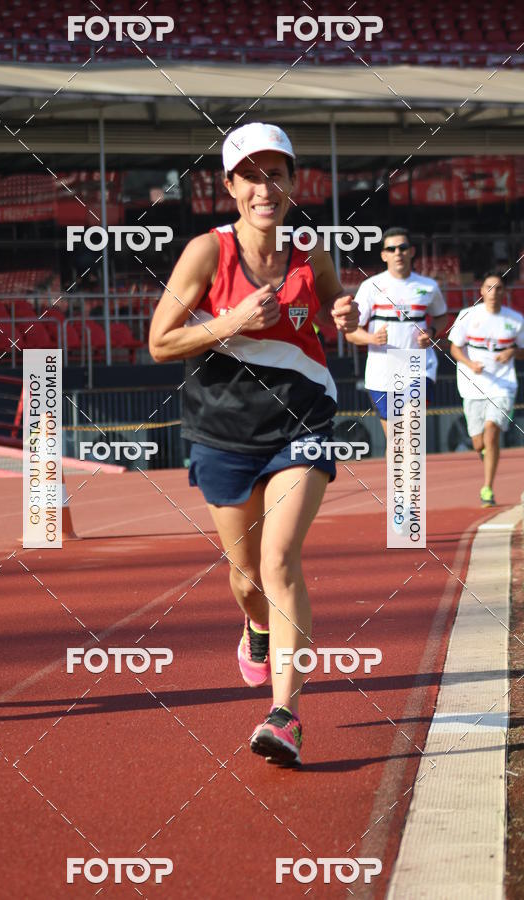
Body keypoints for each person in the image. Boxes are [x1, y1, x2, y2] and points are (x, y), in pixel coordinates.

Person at [148, 122, 358, 766]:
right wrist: (233, 321)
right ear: (231, 186)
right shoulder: (206, 253)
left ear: (293, 183)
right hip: (222, 431)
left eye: (278, 174)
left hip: (303, 419)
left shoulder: (308, 246)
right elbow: (159, 342)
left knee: (280, 561)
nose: (266, 187)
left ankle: (286, 715)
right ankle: (257, 627)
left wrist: (343, 315)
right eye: (252, 175)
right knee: (245, 579)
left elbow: (328, 311)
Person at [345, 227, 448, 439]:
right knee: (397, 442)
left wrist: (432, 331)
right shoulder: (371, 286)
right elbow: (350, 331)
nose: (397, 253)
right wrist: (371, 338)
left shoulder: (428, 286)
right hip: (381, 372)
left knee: (410, 431)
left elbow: (442, 316)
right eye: (391, 249)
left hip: (417, 366)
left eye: (402, 248)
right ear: (384, 255)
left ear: (412, 251)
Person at [449, 271, 524, 507]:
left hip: (503, 385)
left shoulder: (515, 320)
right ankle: (486, 453)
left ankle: (487, 488)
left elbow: (523, 350)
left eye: (498, 288)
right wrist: (471, 364)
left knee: (492, 432)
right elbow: (454, 348)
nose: (493, 293)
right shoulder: (468, 316)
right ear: (481, 291)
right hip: (472, 386)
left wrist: (511, 352)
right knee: (479, 442)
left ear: (504, 293)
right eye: (489, 288)